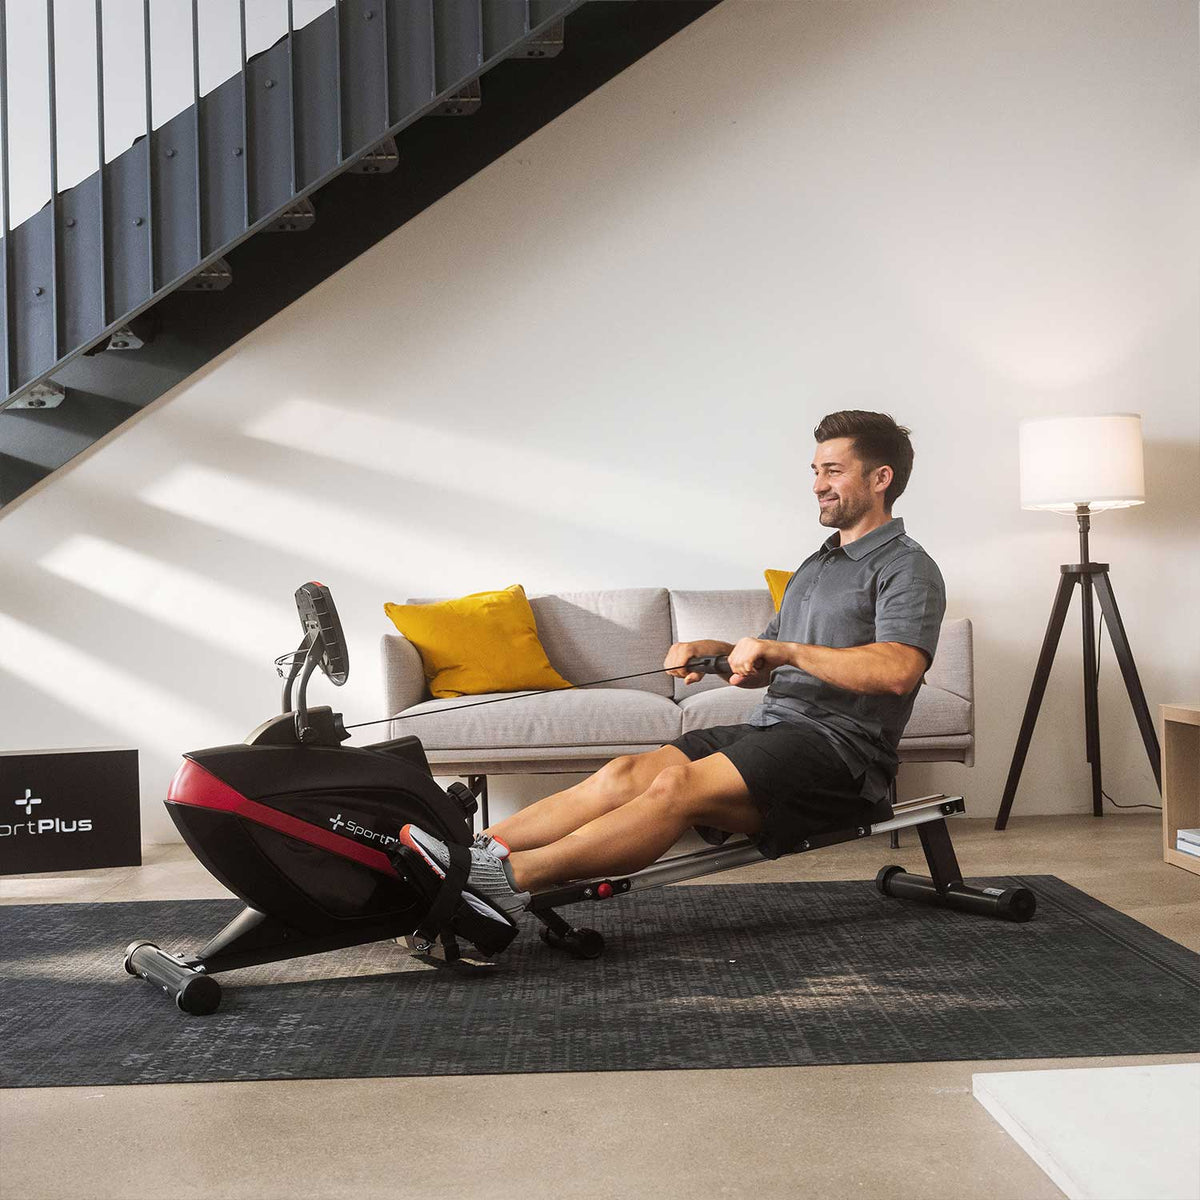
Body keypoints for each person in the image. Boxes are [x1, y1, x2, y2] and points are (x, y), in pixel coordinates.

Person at [399, 410, 947, 920]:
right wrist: (716, 655)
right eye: (815, 470)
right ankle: (466, 852)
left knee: (675, 787)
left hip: (841, 755)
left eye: (833, 470)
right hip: (775, 729)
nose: (817, 484)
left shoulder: (907, 567)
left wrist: (787, 651)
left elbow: (898, 670)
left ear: (880, 478)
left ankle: (505, 881)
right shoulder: (819, 563)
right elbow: (765, 663)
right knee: (625, 773)